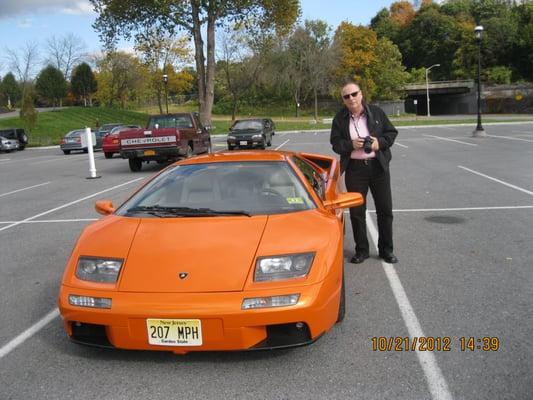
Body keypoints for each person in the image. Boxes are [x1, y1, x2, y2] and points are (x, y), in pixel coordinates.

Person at [330, 81, 398, 264]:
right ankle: (362, 250)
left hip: (378, 167)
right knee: (357, 212)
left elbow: (391, 134)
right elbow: (335, 143)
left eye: (354, 94)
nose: (351, 98)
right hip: (355, 169)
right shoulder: (339, 119)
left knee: (385, 210)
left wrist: (378, 143)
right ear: (343, 100)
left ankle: (386, 250)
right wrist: (350, 145)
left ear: (361, 94)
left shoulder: (376, 113)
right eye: (346, 96)